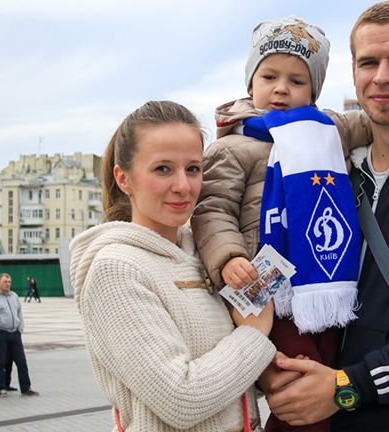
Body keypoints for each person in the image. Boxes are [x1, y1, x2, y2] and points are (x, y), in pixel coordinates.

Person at [191, 16, 371, 432]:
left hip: (329, 288)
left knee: (329, 378)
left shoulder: (327, 130)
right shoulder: (234, 146)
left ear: (314, 91)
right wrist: (228, 258)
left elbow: (370, 122)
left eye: (296, 80)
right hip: (268, 296)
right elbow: (212, 210)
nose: (281, 89)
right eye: (269, 75)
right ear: (250, 83)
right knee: (295, 385)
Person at [69, 100, 277, 431]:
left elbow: (232, 379)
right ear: (123, 179)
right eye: (163, 169)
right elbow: (181, 399)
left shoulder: (205, 253)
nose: (183, 185)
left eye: (193, 168)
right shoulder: (116, 269)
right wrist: (253, 334)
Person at [260, 3, 389, 432]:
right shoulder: (333, 171)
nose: (382, 77)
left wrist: (346, 386)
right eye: (369, 62)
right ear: (353, 73)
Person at [0, 273, 39, 398]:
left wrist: (20, 328)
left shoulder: (14, 296)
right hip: (1, 333)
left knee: (21, 361)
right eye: (5, 282)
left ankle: (26, 387)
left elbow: (19, 313)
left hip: (15, 333)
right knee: (1, 361)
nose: (8, 284)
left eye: (9, 282)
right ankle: (1, 387)